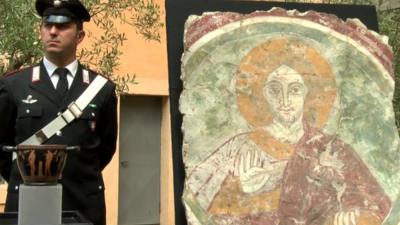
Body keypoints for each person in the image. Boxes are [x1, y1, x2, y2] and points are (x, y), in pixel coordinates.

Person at [184, 63, 390, 225]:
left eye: (294, 90)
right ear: (264, 94)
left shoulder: (332, 148)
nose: (284, 100)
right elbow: (198, 204)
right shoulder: (239, 146)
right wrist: (240, 190)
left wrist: (353, 216)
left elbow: (376, 206)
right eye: (275, 90)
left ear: (306, 94)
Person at [0, 1, 118, 225]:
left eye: (63, 26)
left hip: (82, 204)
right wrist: (29, 174)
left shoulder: (101, 89)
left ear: (80, 36)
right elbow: (3, 148)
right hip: (28, 202)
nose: (53, 31)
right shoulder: (14, 85)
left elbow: (104, 150)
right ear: (41, 30)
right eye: (47, 25)